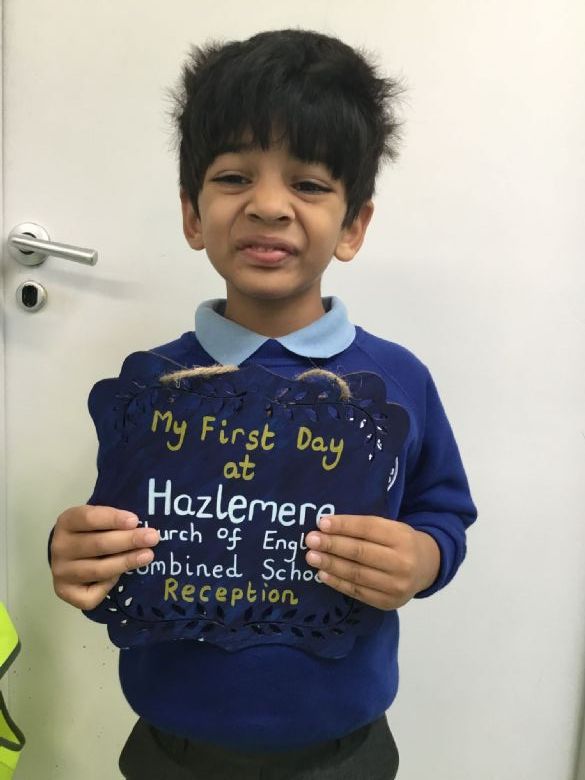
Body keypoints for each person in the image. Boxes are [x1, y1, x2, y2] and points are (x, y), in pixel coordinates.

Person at [48, 29, 477, 779]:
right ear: (192, 214)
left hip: (343, 748)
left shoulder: (396, 382)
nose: (269, 206)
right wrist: (79, 553)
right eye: (233, 176)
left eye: (307, 184)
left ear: (353, 225)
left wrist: (423, 557)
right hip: (172, 748)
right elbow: (127, 530)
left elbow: (443, 508)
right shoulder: (155, 389)